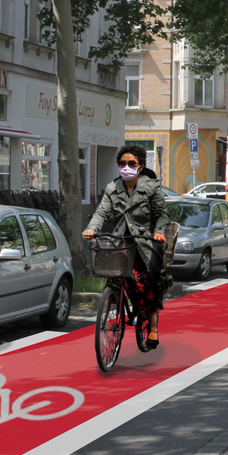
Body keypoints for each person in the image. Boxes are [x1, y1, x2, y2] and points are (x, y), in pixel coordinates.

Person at [83, 145, 170, 349]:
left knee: (147, 285)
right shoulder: (112, 188)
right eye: (122, 163)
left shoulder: (151, 188)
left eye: (132, 163)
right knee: (113, 275)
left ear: (140, 166)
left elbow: (162, 215)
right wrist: (91, 229)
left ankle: (153, 328)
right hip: (120, 243)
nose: (126, 167)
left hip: (145, 242)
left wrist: (159, 231)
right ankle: (115, 297)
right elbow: (101, 213)